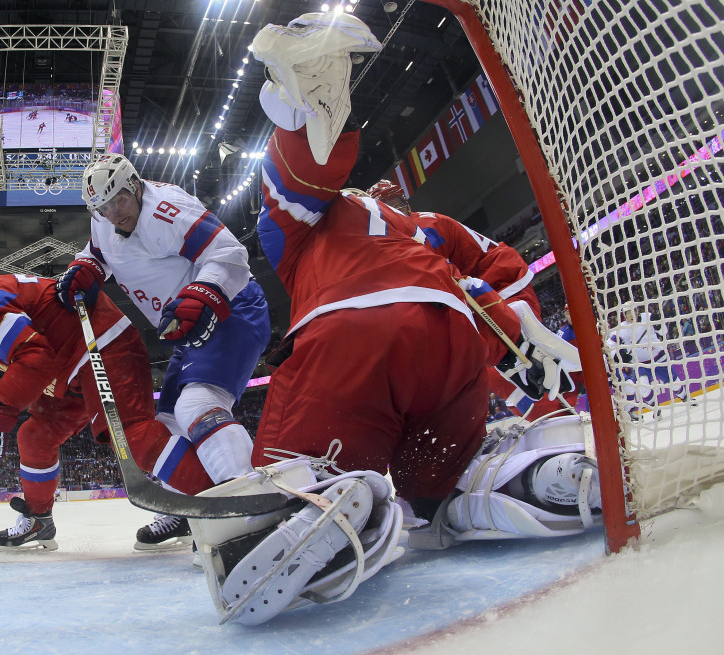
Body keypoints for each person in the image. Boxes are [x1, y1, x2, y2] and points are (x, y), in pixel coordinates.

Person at [187, 12, 604, 625]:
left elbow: (303, 177)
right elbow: (507, 268)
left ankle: (328, 505)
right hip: (452, 341)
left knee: (294, 483)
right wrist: (520, 325)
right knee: (436, 489)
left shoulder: (314, 222)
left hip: (351, 336)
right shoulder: (425, 228)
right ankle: (515, 479)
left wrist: (300, 107)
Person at [0, 261, 216, 551]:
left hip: (100, 345)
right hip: (70, 368)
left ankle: (218, 500)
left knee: (131, 437)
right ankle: (39, 520)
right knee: (35, 436)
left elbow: (35, 358)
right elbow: (39, 360)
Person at [56, 153, 272, 549]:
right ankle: (188, 506)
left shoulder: (167, 212)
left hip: (230, 307)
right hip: (188, 326)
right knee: (168, 423)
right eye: (102, 206)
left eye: (118, 199)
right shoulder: (103, 219)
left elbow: (230, 255)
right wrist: (85, 267)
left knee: (197, 404)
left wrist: (203, 293)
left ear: (135, 185)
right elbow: (99, 254)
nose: (113, 212)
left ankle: (249, 511)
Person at [366, 179, 579, 420]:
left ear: (406, 204)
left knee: (509, 367)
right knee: (495, 373)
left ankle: (562, 419)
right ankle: (554, 416)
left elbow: (448, 282)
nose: (396, 212)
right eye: (389, 206)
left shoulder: (419, 231)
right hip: (489, 288)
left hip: (502, 287)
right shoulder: (409, 232)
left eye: (398, 204)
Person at [606, 302, 692, 420]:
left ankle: (685, 397)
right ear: (624, 315)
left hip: (658, 357)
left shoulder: (648, 317)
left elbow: (664, 332)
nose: (631, 314)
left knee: (673, 383)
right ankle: (656, 408)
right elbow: (609, 345)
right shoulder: (622, 330)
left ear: (637, 311)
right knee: (643, 388)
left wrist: (658, 326)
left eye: (632, 311)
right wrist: (617, 355)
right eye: (627, 312)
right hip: (641, 364)